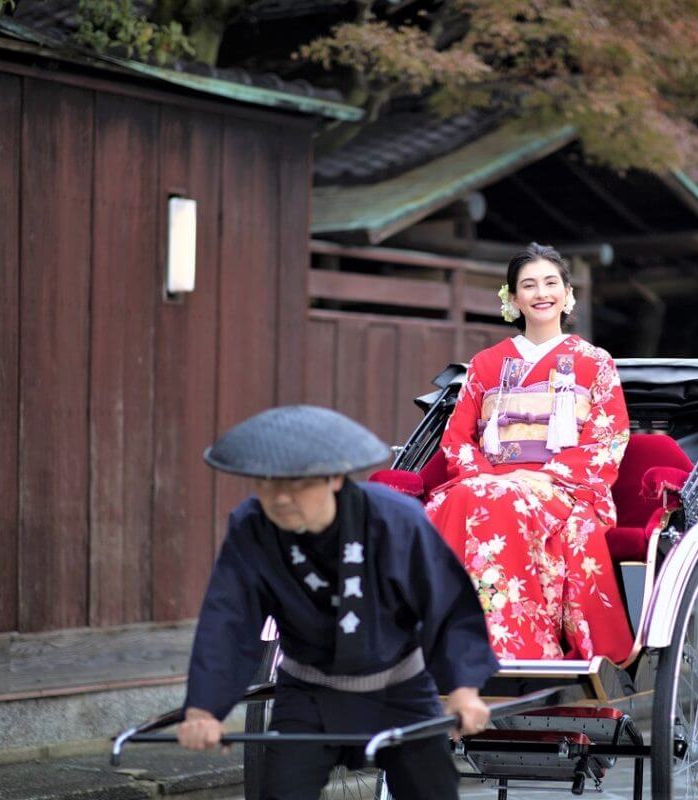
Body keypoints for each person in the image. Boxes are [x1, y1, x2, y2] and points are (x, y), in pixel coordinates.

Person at [176, 405, 498, 800]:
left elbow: (446, 606)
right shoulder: (252, 527)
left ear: (333, 478)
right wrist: (204, 709)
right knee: (280, 794)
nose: (279, 498)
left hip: (400, 688)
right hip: (309, 690)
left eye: (295, 484)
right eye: (266, 483)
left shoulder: (394, 519)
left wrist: (463, 689)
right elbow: (228, 620)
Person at [425, 243, 634, 663]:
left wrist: (545, 477)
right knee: (453, 499)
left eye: (551, 283)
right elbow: (457, 439)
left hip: (560, 486)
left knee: (498, 500)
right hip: (486, 479)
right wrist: (487, 475)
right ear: (513, 298)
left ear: (567, 293)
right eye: (529, 285)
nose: (541, 293)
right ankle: (437, 640)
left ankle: (514, 646)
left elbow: (607, 437)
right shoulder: (485, 364)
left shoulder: (595, 362)